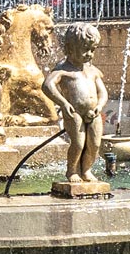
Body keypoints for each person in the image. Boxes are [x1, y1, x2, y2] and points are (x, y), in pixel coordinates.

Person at [42, 22, 107, 187]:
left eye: (93, 50)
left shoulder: (92, 71)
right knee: (78, 143)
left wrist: (99, 106)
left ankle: (86, 170)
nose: (90, 54)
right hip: (74, 113)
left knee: (95, 144)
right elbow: (47, 86)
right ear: (70, 48)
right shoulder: (63, 70)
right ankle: (72, 170)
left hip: (94, 113)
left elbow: (103, 92)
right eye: (85, 49)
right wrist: (63, 104)